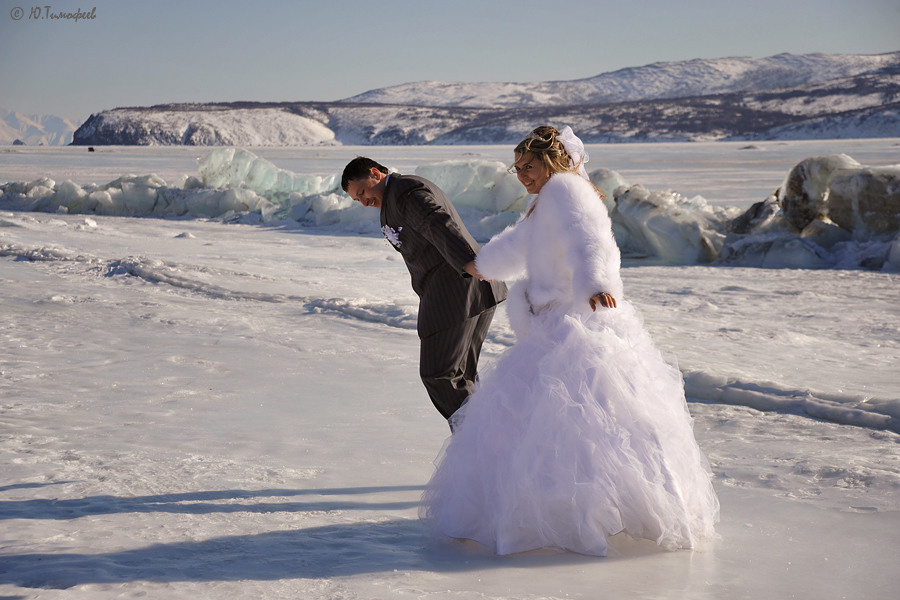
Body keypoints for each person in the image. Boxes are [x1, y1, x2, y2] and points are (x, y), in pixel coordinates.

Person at [419, 126, 719, 556]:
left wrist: (596, 282)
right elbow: (520, 246)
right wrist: (484, 265)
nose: (523, 175)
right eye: (518, 168)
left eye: (530, 166)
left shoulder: (566, 191)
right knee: (557, 424)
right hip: (549, 321)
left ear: (554, 161)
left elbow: (589, 237)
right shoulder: (545, 202)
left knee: (583, 420)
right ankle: (565, 509)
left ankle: (584, 513)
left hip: (572, 320)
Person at [341, 157, 507, 427]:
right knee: (461, 374)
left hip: (457, 287)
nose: (363, 201)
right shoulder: (392, 199)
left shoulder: (405, 191)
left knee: (439, 373)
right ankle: (487, 440)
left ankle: (483, 437)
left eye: (362, 192)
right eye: (356, 200)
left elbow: (436, 222)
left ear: (375, 173)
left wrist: (467, 262)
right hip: (463, 288)